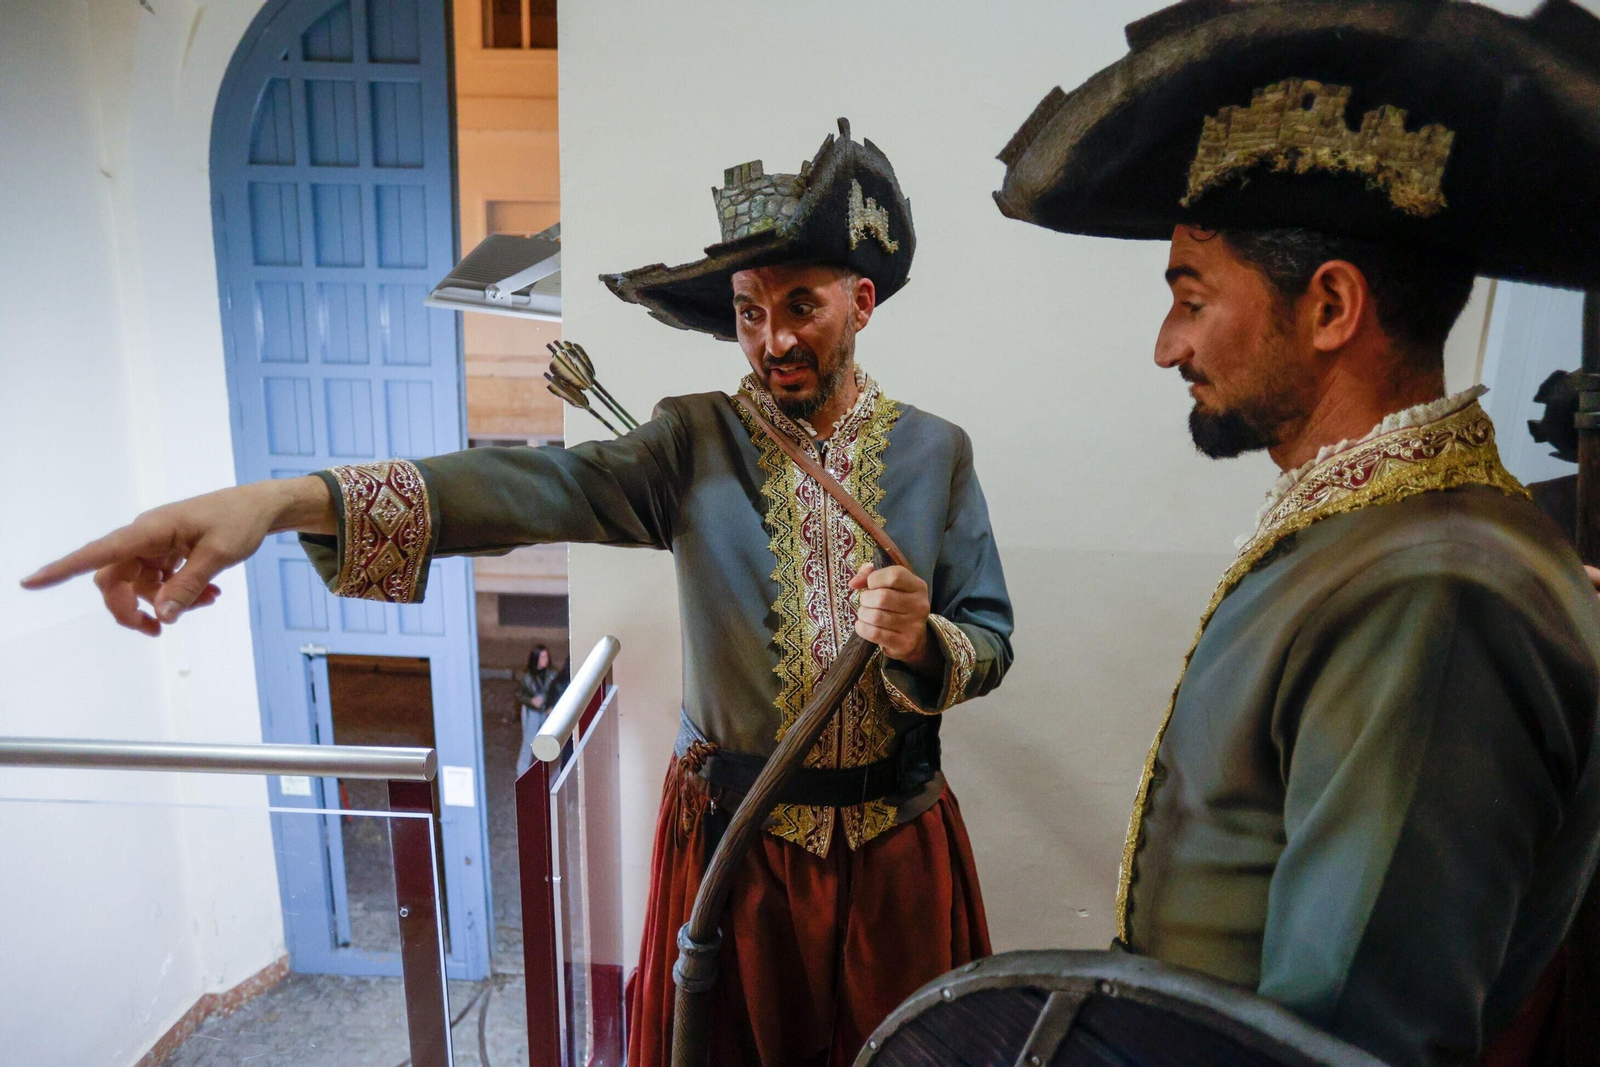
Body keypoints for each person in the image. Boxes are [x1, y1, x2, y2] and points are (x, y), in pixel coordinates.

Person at [23, 118, 1013, 1066]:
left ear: (861, 302)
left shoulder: (936, 451)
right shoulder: (693, 440)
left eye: (801, 305)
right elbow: (538, 488)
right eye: (750, 312)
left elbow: (989, 636)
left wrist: (920, 641)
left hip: (895, 848)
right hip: (737, 849)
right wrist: (289, 500)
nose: (771, 339)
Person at [993, 3, 1600, 1065]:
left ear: (1328, 307)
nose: (1165, 344)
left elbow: (1354, 1040)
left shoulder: (1434, 592)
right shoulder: (1377, 531)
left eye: (1191, 297)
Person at [514, 643, 568, 777]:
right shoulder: (526, 675)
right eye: (542, 657)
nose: (545, 659)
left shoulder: (552, 673)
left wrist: (550, 705)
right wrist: (530, 700)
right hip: (532, 711)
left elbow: (556, 691)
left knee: (547, 740)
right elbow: (519, 694)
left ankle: (550, 772)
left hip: (546, 710)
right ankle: (522, 772)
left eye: (546, 656)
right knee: (529, 741)